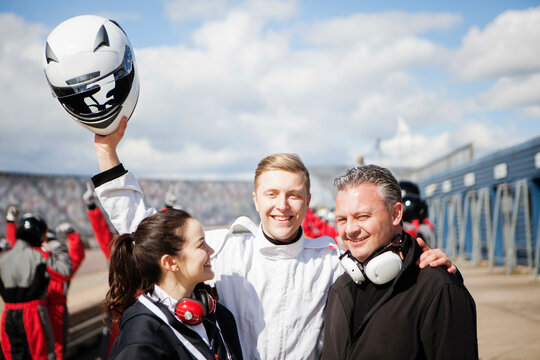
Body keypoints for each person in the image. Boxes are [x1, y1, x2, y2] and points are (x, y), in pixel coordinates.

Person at [90, 117, 456, 359]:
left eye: (294, 195)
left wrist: (427, 262)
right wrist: (107, 153)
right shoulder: (225, 250)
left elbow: (383, 259)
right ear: (255, 199)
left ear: (308, 202)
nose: (282, 206)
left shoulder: (329, 260)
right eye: (271, 194)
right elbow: (145, 229)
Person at [321, 165, 478, 359]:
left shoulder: (438, 288)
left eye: (362, 216)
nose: (350, 229)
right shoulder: (341, 288)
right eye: (342, 219)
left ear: (396, 214)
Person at [105, 208, 243, 359]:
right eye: (201, 245)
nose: (211, 250)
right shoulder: (141, 339)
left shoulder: (221, 316)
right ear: (170, 262)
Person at [0, 213, 73, 360]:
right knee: (42, 356)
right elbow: (65, 272)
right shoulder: (39, 256)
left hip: (7, 315)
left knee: (12, 355)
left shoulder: (3, 258)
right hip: (33, 315)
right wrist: (58, 248)